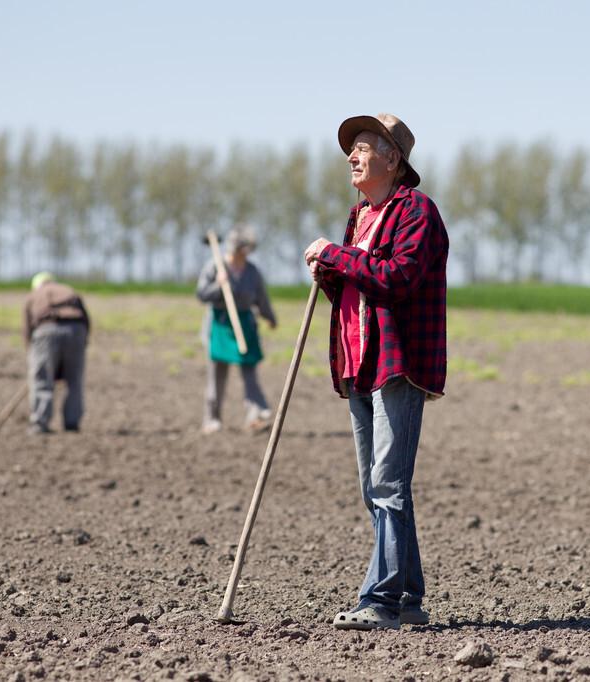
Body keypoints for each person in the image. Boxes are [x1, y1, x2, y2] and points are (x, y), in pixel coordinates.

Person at [304, 113, 448, 630]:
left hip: (397, 363)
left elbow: (398, 278)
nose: (352, 155)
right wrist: (329, 273)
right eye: (352, 148)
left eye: (364, 146)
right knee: (375, 487)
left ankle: (380, 601)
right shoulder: (359, 215)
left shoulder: (417, 212)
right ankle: (408, 598)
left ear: (394, 159)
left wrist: (338, 255)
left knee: (388, 484)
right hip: (358, 362)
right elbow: (355, 289)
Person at [196, 226, 277, 435]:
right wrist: (217, 285)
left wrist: (269, 317)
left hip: (245, 324)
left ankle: (256, 415)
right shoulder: (215, 266)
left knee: (249, 369)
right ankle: (211, 419)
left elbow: (261, 297)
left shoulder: (252, 271)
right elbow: (201, 294)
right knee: (217, 374)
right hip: (220, 324)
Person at [23, 272, 91, 434]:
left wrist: (32, 354)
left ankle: (40, 422)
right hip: (76, 330)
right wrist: (82, 343)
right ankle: (72, 423)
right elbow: (87, 320)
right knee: (74, 380)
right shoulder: (69, 290)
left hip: (46, 330)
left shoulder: (33, 295)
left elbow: (27, 329)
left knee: (42, 379)